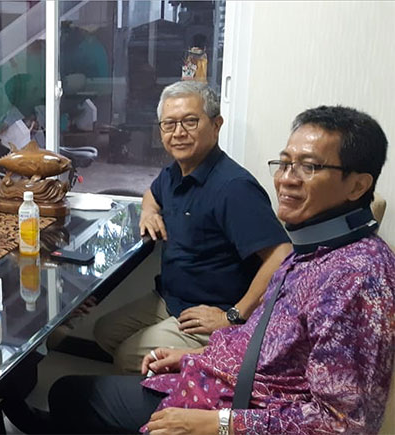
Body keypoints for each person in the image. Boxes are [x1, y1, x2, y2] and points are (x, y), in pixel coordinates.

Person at [49, 105, 395, 434]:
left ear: (357, 185)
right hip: (219, 378)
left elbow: (344, 425)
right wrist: (195, 355)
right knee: (81, 382)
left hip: (235, 409)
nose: (286, 179)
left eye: (309, 167)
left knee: (69, 395)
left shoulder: (356, 278)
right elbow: (269, 343)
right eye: (285, 163)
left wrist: (216, 425)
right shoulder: (314, 250)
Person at [84, 81, 292, 372]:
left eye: (190, 121)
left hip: (211, 310)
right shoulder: (174, 173)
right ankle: (161, 381)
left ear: (216, 125)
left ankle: (173, 393)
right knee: (104, 332)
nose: (178, 132)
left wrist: (232, 316)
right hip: (171, 300)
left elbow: (282, 255)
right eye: (169, 124)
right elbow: (151, 194)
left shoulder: (234, 187)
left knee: (127, 356)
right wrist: (149, 212)